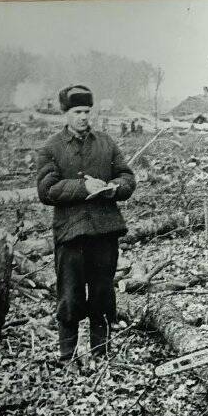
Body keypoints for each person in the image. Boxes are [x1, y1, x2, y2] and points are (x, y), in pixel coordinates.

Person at [36, 85, 136, 370]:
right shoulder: (51, 148)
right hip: (70, 234)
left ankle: (102, 353)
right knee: (69, 295)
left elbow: (127, 176)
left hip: (104, 232)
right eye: (77, 112)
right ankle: (67, 356)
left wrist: (115, 188)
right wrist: (83, 187)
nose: (83, 117)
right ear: (65, 114)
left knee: (103, 294)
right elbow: (46, 190)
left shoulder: (106, 143)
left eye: (87, 112)